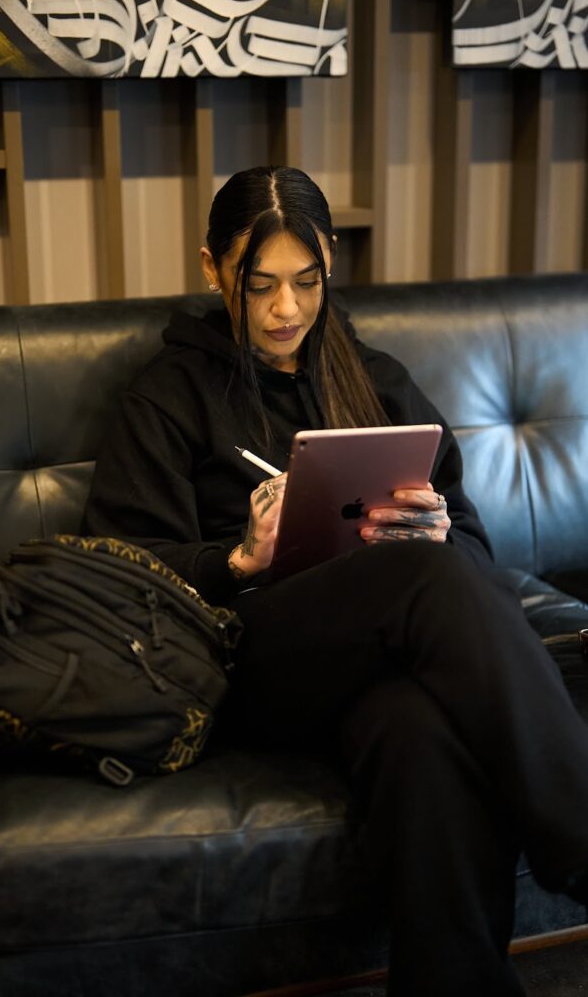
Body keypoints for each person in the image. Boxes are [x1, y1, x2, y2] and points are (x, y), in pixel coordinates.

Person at [82, 165, 588, 996]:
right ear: (214, 270)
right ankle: (578, 832)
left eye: (308, 282)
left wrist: (435, 532)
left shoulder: (376, 380)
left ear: (331, 264)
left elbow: (473, 545)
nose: (287, 310)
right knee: (421, 579)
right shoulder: (170, 397)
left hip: (384, 658)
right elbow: (120, 567)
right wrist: (237, 557)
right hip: (250, 660)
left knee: (419, 731)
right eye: (262, 285)